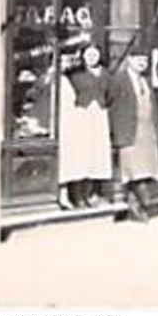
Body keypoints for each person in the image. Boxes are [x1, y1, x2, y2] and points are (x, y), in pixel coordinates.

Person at [57, 41, 112, 210]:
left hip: (100, 117)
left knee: (96, 155)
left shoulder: (106, 74)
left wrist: (103, 106)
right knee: (81, 154)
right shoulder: (75, 75)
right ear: (82, 56)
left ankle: (91, 193)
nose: (91, 58)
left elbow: (111, 96)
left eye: (94, 54)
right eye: (88, 54)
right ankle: (78, 196)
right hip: (81, 118)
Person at [108, 53, 158, 222]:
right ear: (129, 60)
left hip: (146, 131)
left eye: (144, 60)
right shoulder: (119, 79)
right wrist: (114, 130)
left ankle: (134, 205)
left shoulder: (145, 81)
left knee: (146, 169)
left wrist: (157, 127)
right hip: (128, 131)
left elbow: (153, 106)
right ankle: (144, 203)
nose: (142, 63)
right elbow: (110, 104)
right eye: (138, 59)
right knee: (133, 169)